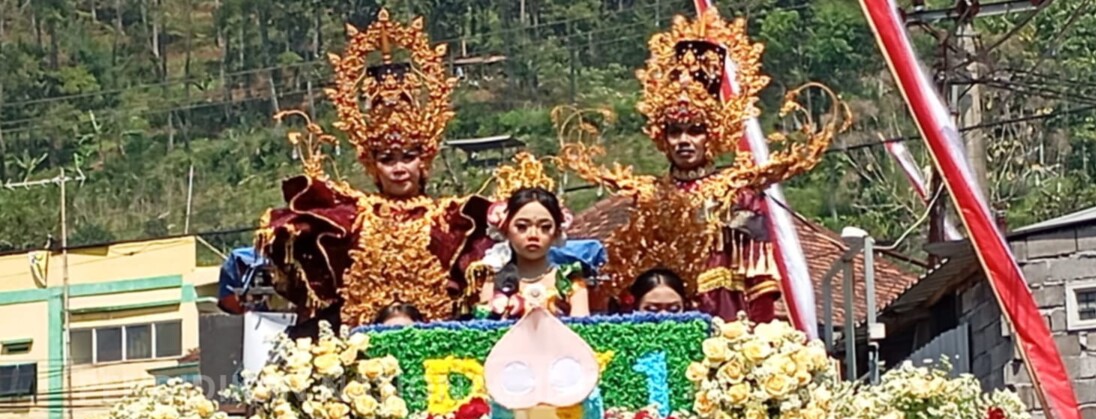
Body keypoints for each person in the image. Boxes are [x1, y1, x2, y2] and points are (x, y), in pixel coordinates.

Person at [560, 9, 843, 322]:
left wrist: (758, 336)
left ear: (713, 135)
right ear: (661, 137)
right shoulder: (650, 196)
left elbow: (759, 279)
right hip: (664, 314)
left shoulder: (737, 194)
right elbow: (635, 276)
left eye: (695, 130)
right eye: (675, 131)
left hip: (726, 315)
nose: (684, 140)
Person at [260, 11, 493, 329]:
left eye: (407, 157)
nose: (399, 168)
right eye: (387, 159)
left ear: (423, 159)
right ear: (372, 164)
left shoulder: (450, 221)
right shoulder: (352, 217)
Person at [475, 187, 590, 318]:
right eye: (522, 227)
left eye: (545, 227)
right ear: (506, 230)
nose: (533, 235)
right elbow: (484, 333)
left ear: (557, 232)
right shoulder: (493, 283)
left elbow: (581, 332)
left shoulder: (571, 281)